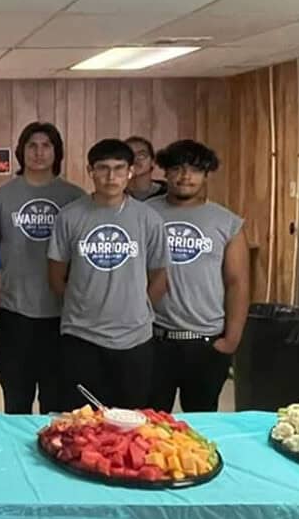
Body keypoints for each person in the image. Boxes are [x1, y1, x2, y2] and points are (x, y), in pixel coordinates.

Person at [48, 139, 169, 410]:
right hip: (81, 337)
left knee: (130, 422)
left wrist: (136, 305)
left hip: (134, 339)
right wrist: (83, 306)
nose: (110, 176)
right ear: (90, 171)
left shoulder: (149, 219)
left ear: (130, 171)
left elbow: (159, 275)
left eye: (118, 168)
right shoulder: (69, 216)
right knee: (81, 423)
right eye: (102, 168)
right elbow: (56, 276)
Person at [0, 122, 86, 414]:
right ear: (21, 151)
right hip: (15, 311)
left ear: (57, 152)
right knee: (16, 396)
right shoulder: (0, 198)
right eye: (32, 145)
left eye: (46, 146)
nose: (39, 152)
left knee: (56, 399)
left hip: (63, 313)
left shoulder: (75, 198)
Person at [147, 140, 249, 412]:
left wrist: (232, 339)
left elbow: (237, 283)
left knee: (203, 426)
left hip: (206, 343)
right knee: (149, 425)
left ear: (206, 174)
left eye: (194, 169)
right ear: (166, 172)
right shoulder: (145, 213)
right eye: (177, 168)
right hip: (153, 339)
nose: (185, 176)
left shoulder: (227, 222)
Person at [125, 136, 168, 201]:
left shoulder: (168, 193)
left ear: (153, 161)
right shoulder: (113, 193)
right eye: (129, 155)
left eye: (141, 155)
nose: (134, 159)